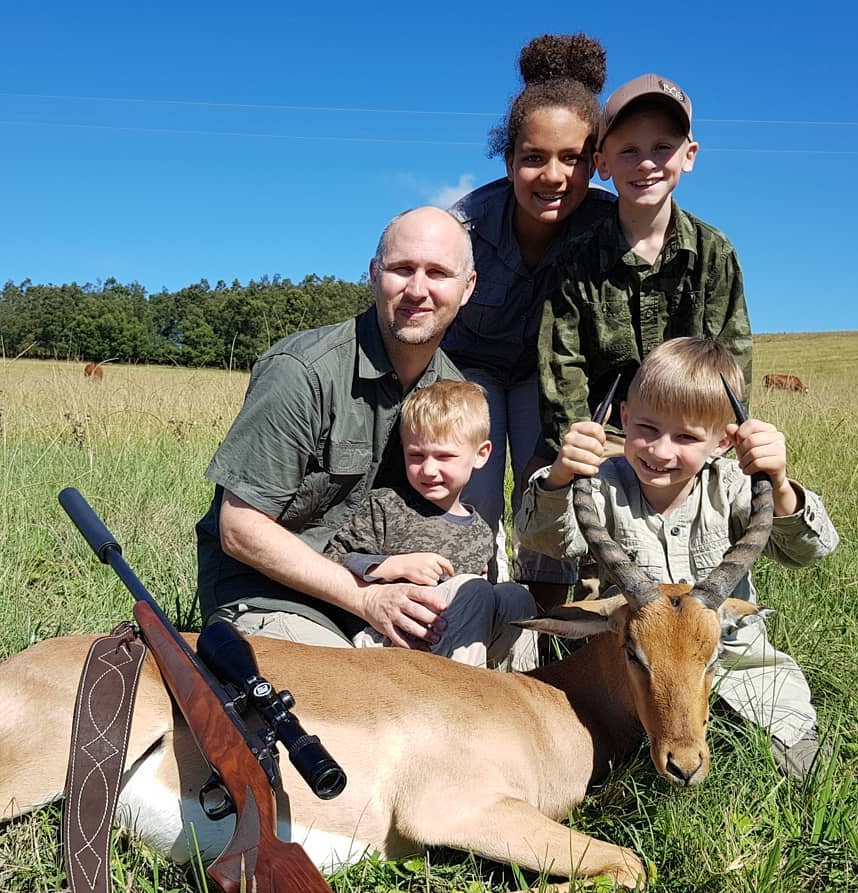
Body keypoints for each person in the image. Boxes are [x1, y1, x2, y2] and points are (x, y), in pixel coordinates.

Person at [516, 338, 839, 779]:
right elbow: (544, 540)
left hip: (736, 660)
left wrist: (779, 482)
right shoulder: (602, 485)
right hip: (636, 667)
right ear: (624, 418)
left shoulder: (734, 485)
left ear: (724, 441)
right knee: (586, 757)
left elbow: (809, 551)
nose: (661, 451)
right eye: (647, 429)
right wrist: (559, 476)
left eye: (685, 436)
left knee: (797, 764)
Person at [196, 206, 496, 653]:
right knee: (353, 702)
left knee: (505, 618)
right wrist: (366, 598)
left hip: (379, 597)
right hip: (272, 597)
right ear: (374, 273)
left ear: (467, 287)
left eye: (438, 273)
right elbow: (240, 528)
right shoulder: (302, 372)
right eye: (401, 269)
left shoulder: (450, 394)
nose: (418, 289)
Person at [444, 32, 615, 608]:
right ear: (509, 159)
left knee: (548, 475)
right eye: (534, 158)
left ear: (597, 162)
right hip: (473, 369)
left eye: (573, 158)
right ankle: (469, 607)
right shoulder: (465, 225)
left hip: (553, 377)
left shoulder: (611, 227)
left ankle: (543, 621)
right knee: (476, 487)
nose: (553, 175)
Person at [536, 72, 753, 465]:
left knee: (760, 496)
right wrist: (577, 450)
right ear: (602, 163)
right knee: (543, 505)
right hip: (607, 442)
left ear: (689, 155)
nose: (647, 164)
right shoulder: (574, 262)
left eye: (662, 147)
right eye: (629, 151)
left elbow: (732, 367)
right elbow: (563, 372)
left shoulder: (714, 254)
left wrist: (719, 447)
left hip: (693, 440)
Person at [322, 380, 536, 667]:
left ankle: (522, 693)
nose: (429, 469)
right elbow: (331, 559)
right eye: (416, 456)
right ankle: (461, 698)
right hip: (385, 638)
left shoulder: (481, 532)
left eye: (445, 456)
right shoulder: (385, 505)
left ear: (481, 454)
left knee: (515, 597)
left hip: (450, 640)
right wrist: (388, 566)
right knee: (472, 589)